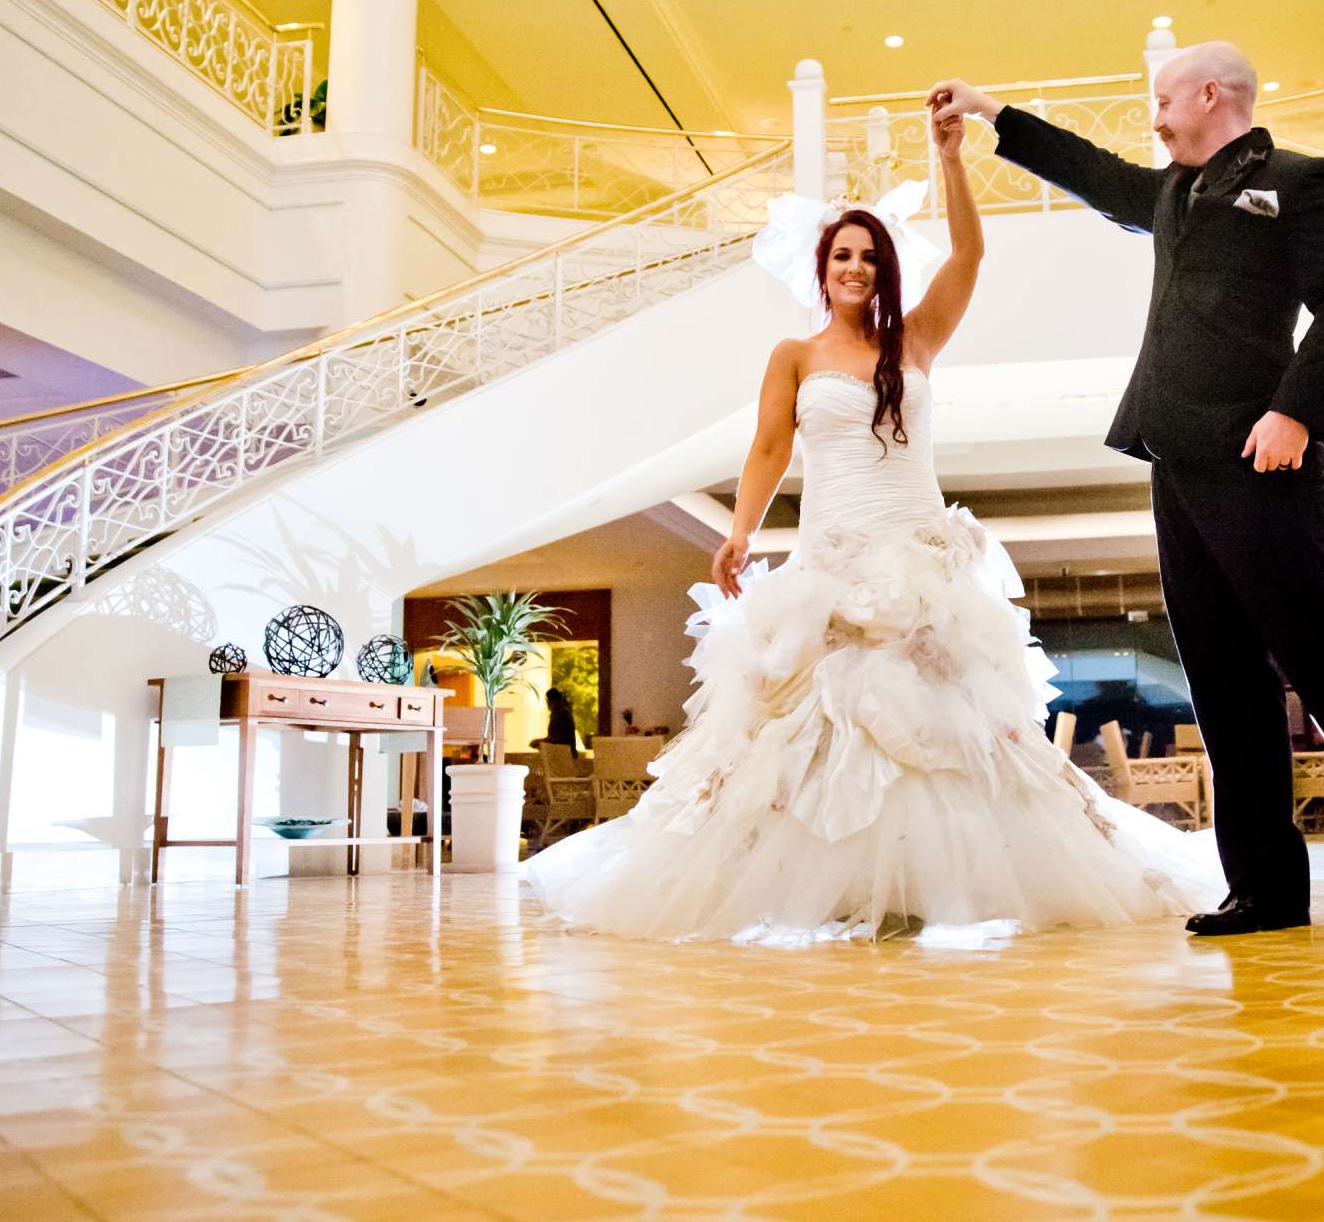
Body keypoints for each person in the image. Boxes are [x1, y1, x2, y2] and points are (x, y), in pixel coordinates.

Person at [523, 102, 1223, 942]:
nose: (855, 266)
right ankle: (822, 890)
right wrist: (739, 531)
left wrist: (950, 158)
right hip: (830, 554)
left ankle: (940, 889)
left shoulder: (915, 340)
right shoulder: (793, 355)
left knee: (947, 725)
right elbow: (768, 448)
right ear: (822, 269)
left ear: (884, 268)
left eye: (868, 255)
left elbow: (969, 254)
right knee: (809, 728)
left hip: (920, 555)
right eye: (842, 255)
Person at [930, 45, 1324, 936]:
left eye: (1161, 99)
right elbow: (1092, 170)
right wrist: (995, 111)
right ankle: (1265, 887)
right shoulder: (1171, 193)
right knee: (1224, 682)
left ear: (1209, 94)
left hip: (1261, 459)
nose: (1154, 116)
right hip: (1178, 462)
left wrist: (1297, 413)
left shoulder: (1300, 180)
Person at [542, 686, 579, 752]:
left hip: (563, 754)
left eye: (548, 701)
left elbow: (559, 740)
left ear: (551, 701)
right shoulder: (563, 712)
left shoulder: (559, 714)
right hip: (566, 752)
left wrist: (541, 741)